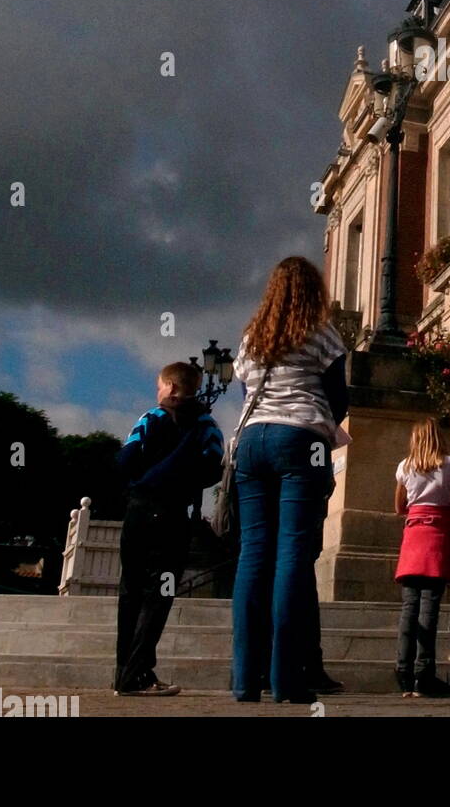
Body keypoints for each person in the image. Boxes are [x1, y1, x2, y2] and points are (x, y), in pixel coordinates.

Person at [230, 256, 348, 704]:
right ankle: (287, 679)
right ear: (312, 292)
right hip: (299, 438)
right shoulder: (321, 333)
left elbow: (245, 394)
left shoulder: (250, 339)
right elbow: (339, 398)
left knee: (253, 555)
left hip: (250, 441)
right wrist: (316, 426)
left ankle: (245, 680)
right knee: (293, 556)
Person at [115, 360, 224, 696]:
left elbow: (126, 459)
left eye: (160, 385)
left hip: (139, 511)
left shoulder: (150, 417)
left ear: (172, 388)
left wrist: (144, 479)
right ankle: (139, 674)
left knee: (130, 591)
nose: (158, 391)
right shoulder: (207, 425)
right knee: (159, 595)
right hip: (173, 515)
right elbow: (213, 469)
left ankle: (123, 674)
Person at [393, 418, 450, 697]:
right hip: (438, 535)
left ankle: (403, 672)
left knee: (409, 608)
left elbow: (399, 506)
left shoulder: (405, 467)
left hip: (413, 535)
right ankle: (425, 673)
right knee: (429, 609)